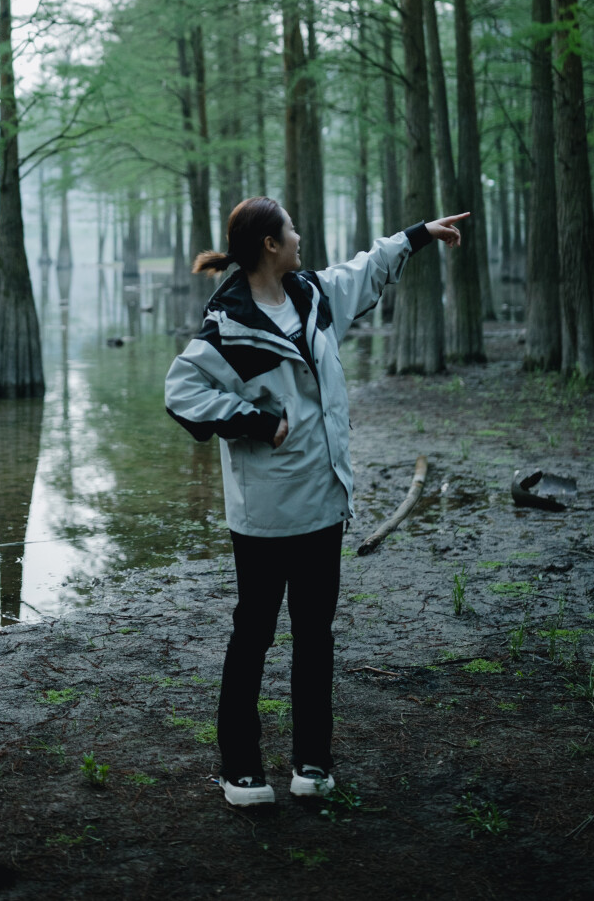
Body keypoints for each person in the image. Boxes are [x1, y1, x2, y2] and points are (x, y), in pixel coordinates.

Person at [164, 197, 468, 807]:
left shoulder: (311, 297)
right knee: (252, 636)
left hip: (324, 504)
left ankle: (312, 761)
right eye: (292, 229)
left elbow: (364, 268)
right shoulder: (230, 323)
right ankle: (241, 768)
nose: (300, 236)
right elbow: (182, 389)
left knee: (314, 636)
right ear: (270, 245)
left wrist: (419, 236)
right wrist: (250, 418)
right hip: (264, 513)